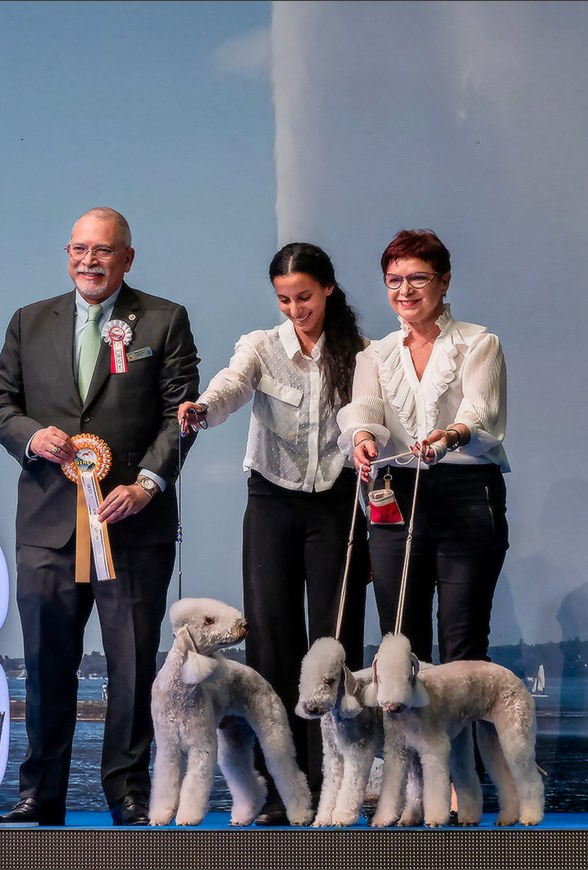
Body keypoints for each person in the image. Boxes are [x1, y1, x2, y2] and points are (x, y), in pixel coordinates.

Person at [0, 207, 200, 826]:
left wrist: (148, 484)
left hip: (133, 524)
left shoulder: (164, 319)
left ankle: (128, 793)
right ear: (67, 255)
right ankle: (40, 795)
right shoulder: (28, 321)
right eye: (79, 249)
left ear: (127, 258)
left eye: (103, 250)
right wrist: (31, 436)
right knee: (46, 664)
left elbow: (180, 415)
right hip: (47, 527)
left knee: (131, 667)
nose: (89, 261)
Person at [177, 242, 369, 824]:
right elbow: (232, 384)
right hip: (271, 503)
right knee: (271, 644)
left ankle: (336, 786)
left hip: (337, 504)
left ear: (328, 289)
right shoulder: (260, 345)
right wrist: (203, 408)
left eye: (304, 297)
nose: (295, 309)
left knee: (334, 644)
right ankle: (284, 790)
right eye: (284, 299)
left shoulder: (361, 353)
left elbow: (371, 417)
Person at [340, 228, 509, 667]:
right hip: (394, 493)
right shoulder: (374, 354)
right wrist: (362, 441)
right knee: (400, 647)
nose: (405, 290)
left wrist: (449, 436)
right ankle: (402, 718)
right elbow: (364, 413)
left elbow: (481, 413)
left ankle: (465, 717)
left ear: (444, 280)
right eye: (394, 280)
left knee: (463, 643)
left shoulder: (478, 343)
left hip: (466, 493)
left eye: (418, 278)